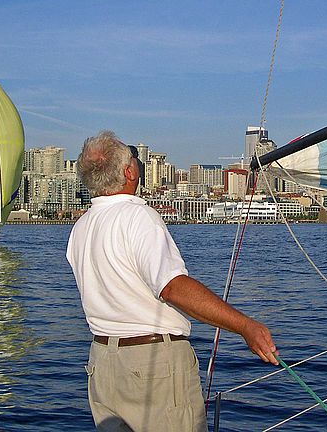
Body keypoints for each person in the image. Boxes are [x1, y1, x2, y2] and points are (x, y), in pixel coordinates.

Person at [66, 130, 278, 432]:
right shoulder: (137, 217)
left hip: (102, 366)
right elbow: (172, 287)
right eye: (135, 159)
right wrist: (245, 326)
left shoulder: (81, 227)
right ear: (129, 172)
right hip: (152, 367)